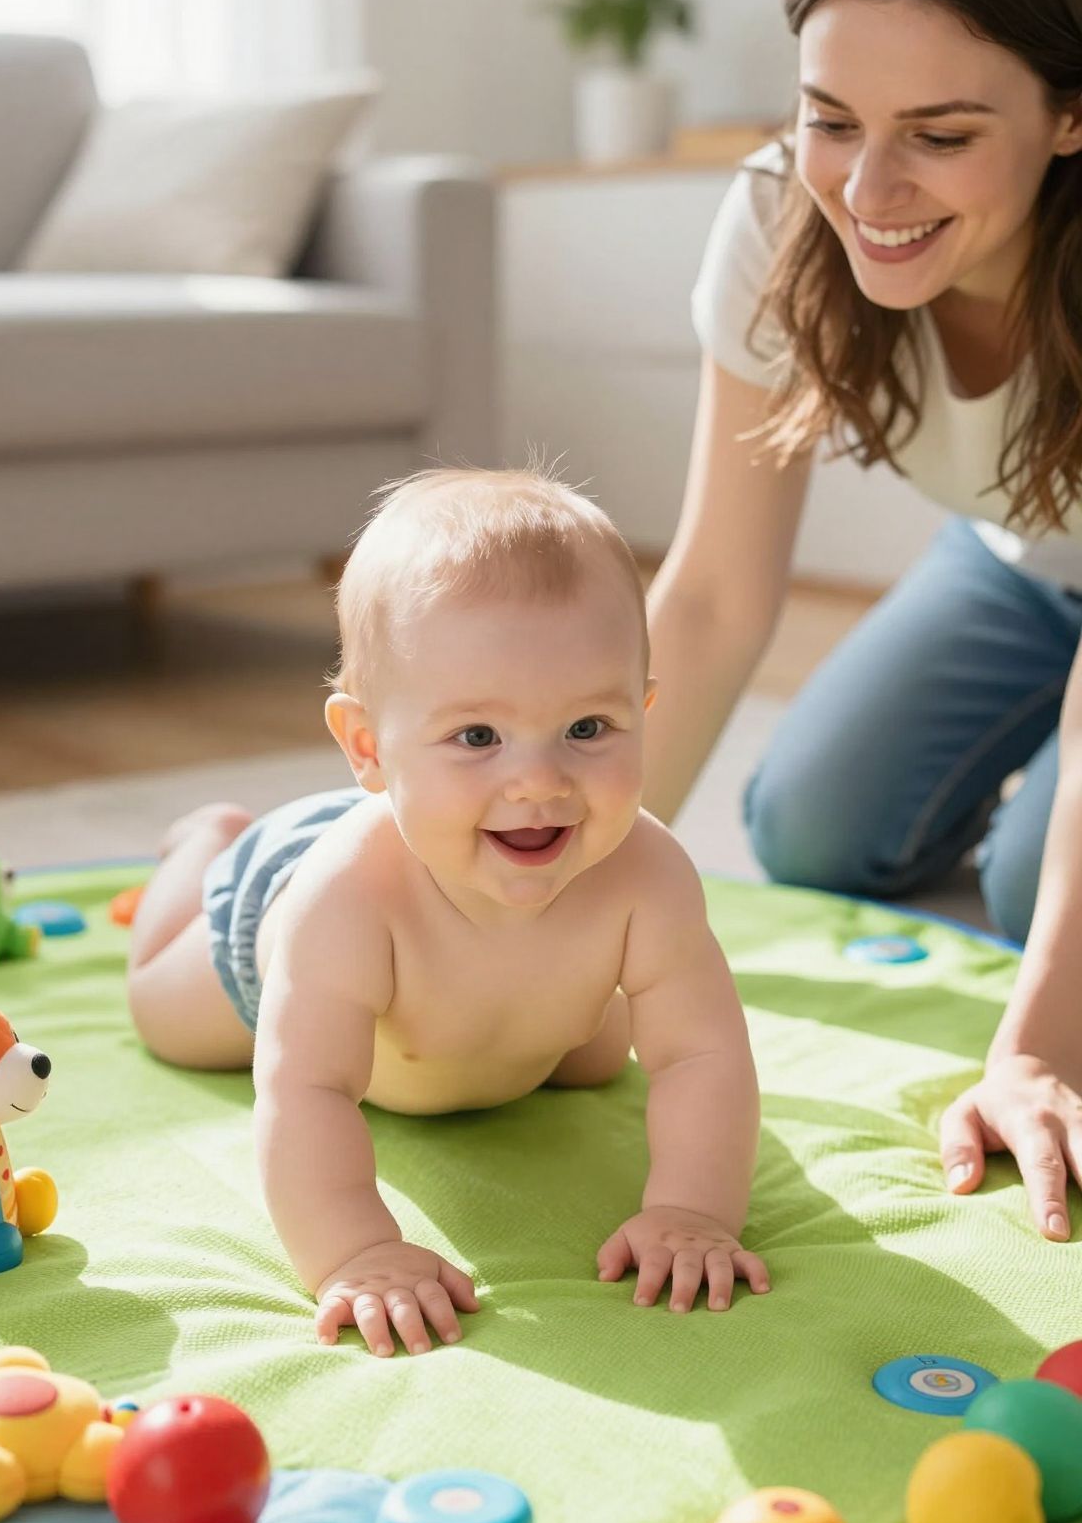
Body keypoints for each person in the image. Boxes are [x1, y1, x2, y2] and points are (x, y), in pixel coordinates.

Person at [127, 469, 769, 1356]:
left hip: (489, 998)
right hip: (283, 911)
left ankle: (526, 1023)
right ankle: (206, 840)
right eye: (478, 738)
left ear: (643, 712)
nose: (540, 783)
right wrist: (356, 1251)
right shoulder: (344, 901)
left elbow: (703, 1053)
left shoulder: (646, 874)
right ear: (367, 747)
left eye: (589, 729)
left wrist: (693, 1211)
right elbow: (304, 1091)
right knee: (162, 1013)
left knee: (594, 1055)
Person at [645, 0, 1082, 1243]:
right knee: (808, 827)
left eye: (940, 135)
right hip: (1016, 561)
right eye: (831, 119)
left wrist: (1041, 1046)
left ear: (1071, 113)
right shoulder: (784, 210)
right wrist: (534, 905)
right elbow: (715, 593)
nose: (868, 189)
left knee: (1024, 900)